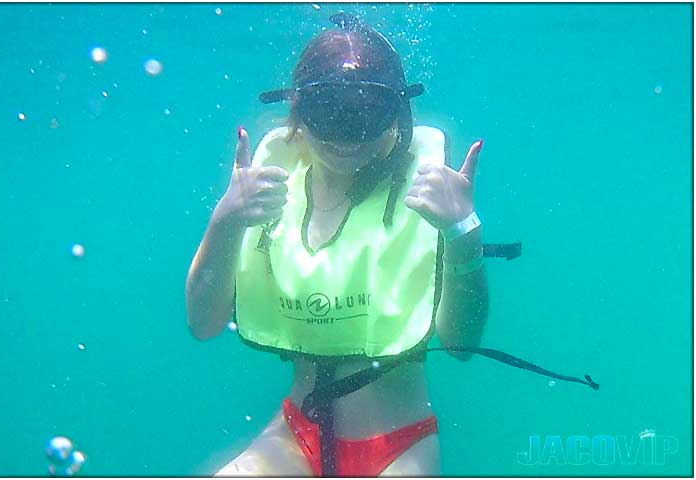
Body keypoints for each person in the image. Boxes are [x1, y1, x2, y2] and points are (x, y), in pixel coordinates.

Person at [186, 14, 597, 477]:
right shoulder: (267, 191)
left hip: (401, 445)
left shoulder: (423, 198)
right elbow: (203, 324)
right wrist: (224, 221)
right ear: (297, 111)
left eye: (366, 114)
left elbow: (461, 344)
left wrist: (464, 234)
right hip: (292, 435)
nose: (344, 136)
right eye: (327, 111)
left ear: (398, 114)